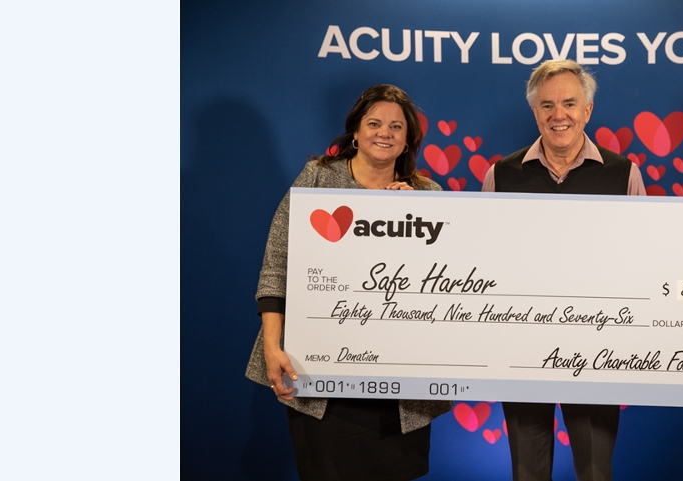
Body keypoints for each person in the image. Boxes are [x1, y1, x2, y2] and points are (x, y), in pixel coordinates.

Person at [244, 84, 451, 481]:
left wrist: (415, 216)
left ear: (408, 139)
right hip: (323, 379)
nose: (384, 133)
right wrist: (273, 345)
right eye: (374, 123)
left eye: (395, 126)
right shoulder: (318, 179)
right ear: (355, 131)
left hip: (400, 384)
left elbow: (444, 283)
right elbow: (277, 262)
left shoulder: (428, 194)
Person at [482, 59, 645, 481]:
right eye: (548, 105)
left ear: (587, 110)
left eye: (570, 103)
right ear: (534, 112)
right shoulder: (500, 175)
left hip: (597, 346)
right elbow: (483, 260)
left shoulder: (624, 174)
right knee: (527, 472)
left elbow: (642, 259)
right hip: (520, 346)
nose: (559, 115)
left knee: (595, 471)